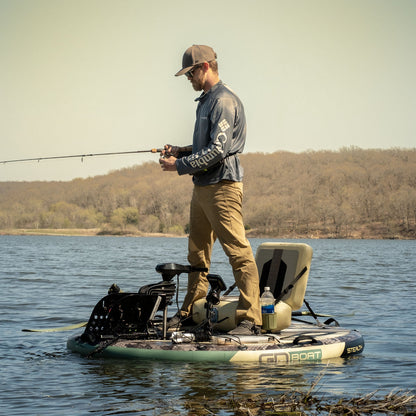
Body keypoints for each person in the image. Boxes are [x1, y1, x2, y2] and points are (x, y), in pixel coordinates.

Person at [159, 45, 261, 335]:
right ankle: (191, 311)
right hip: (202, 187)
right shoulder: (204, 101)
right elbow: (205, 147)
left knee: (238, 252)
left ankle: (251, 319)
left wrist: (178, 166)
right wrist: (180, 152)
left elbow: (219, 150)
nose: (188, 79)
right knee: (197, 255)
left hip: (223, 187)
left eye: (190, 73)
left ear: (204, 67)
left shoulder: (224, 100)